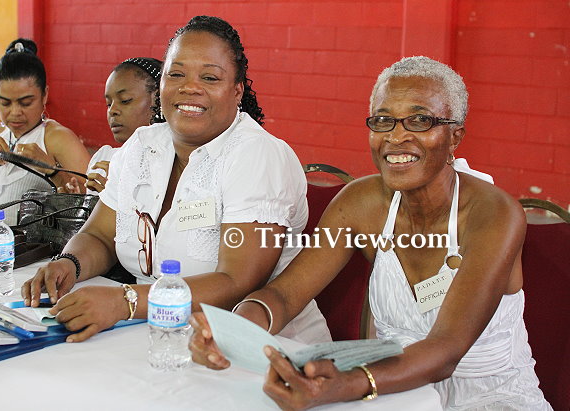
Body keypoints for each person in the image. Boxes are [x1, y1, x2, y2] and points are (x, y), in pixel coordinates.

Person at [190, 56, 551, 410]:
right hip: (396, 396)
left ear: (454, 136)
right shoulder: (362, 203)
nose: (396, 136)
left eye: (420, 120)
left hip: (488, 399)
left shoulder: (494, 214)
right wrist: (233, 331)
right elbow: (285, 295)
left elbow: (445, 351)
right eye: (383, 120)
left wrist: (345, 384)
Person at [21, 16, 331, 345]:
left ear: (236, 90)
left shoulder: (256, 155)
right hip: (153, 334)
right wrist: (69, 264)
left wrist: (126, 301)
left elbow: (238, 281)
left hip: (256, 347)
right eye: (176, 74)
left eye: (210, 77)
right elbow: (99, 235)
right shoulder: (141, 147)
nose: (189, 87)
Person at [0, 38, 90, 223]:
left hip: (28, 241)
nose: (15, 112)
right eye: (5, 103)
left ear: (44, 95)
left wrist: (52, 171)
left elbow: (92, 204)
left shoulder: (56, 138)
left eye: (25, 103)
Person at [64, 57, 163, 195]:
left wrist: (115, 195)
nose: (112, 111)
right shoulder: (104, 159)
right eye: (109, 104)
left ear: (158, 99)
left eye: (125, 100)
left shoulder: (171, 166)